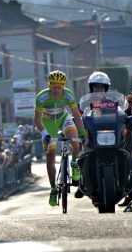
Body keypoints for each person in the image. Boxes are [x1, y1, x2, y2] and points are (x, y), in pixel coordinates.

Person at [34, 70, 85, 206]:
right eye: (53, 87)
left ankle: (74, 163)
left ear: (63, 86)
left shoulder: (68, 95)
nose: (56, 90)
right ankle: (53, 190)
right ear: (49, 86)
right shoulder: (42, 97)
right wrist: (45, 134)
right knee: (50, 157)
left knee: (75, 142)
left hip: (63, 119)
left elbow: (77, 116)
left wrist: (82, 133)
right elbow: (37, 120)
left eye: (59, 87)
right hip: (47, 123)